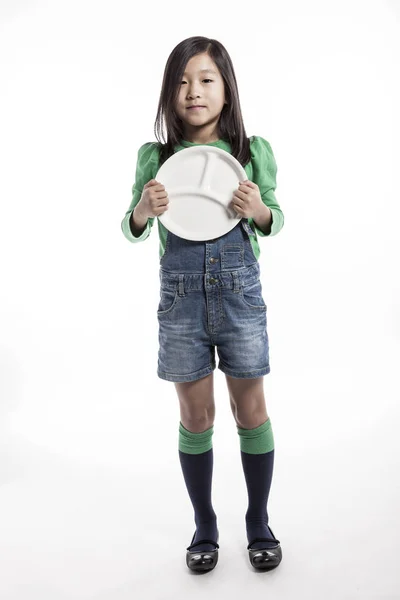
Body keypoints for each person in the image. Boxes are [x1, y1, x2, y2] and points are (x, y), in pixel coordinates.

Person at [121, 36, 285, 573]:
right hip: (182, 303)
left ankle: (258, 520)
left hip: (240, 298)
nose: (194, 91)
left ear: (226, 90)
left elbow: (274, 220)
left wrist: (258, 207)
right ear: (170, 94)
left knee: (251, 410)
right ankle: (205, 524)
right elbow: (133, 229)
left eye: (206, 79)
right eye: (183, 81)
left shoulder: (252, 152)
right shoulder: (156, 158)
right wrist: (144, 208)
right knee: (196, 417)